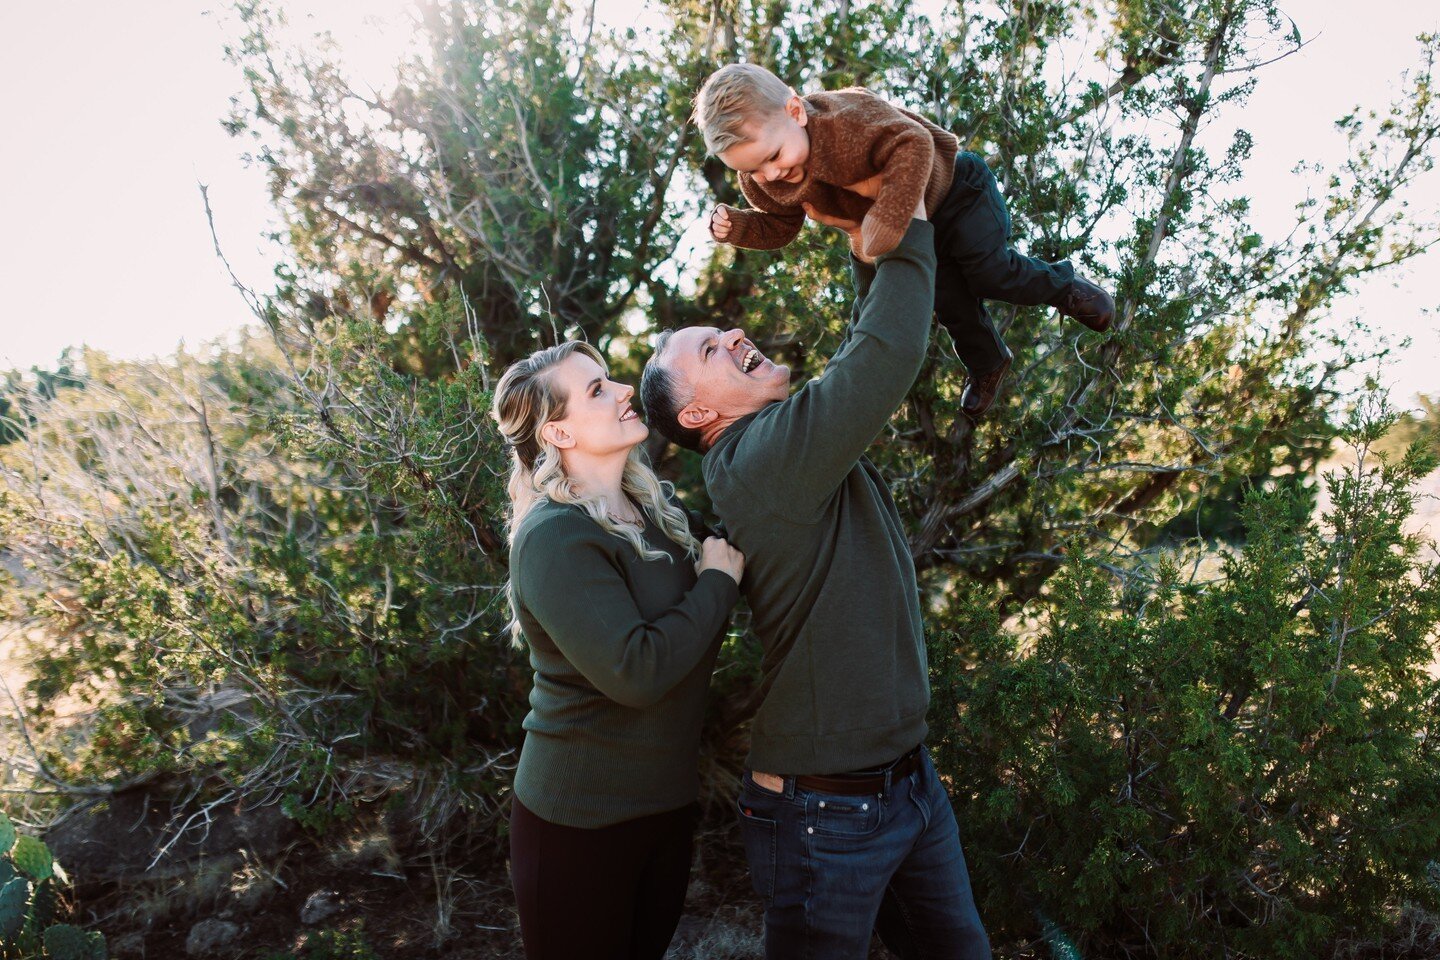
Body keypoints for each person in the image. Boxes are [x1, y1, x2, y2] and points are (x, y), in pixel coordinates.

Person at [641, 202, 990, 958]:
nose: (734, 335)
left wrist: (868, 229)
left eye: (723, 330)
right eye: (708, 348)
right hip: (824, 816)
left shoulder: (776, 445)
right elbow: (885, 355)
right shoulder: (761, 458)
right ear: (699, 411)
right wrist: (910, 217)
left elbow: (872, 331)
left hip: (909, 786)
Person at [493, 340, 744, 960]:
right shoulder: (554, 537)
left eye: (611, 380)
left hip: (664, 804)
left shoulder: (655, 512)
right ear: (558, 431)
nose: (626, 390)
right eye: (598, 390)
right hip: (578, 821)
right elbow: (637, 672)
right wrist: (716, 583)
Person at [693, 61, 1114, 419]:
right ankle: (988, 362)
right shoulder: (763, 177)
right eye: (752, 170)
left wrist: (887, 219)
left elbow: (914, 144)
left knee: (990, 272)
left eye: (772, 157)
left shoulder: (846, 117)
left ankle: (1065, 287)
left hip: (954, 191)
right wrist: (742, 227)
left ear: (795, 111)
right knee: (949, 302)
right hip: (914, 228)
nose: (770, 175)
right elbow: (783, 225)